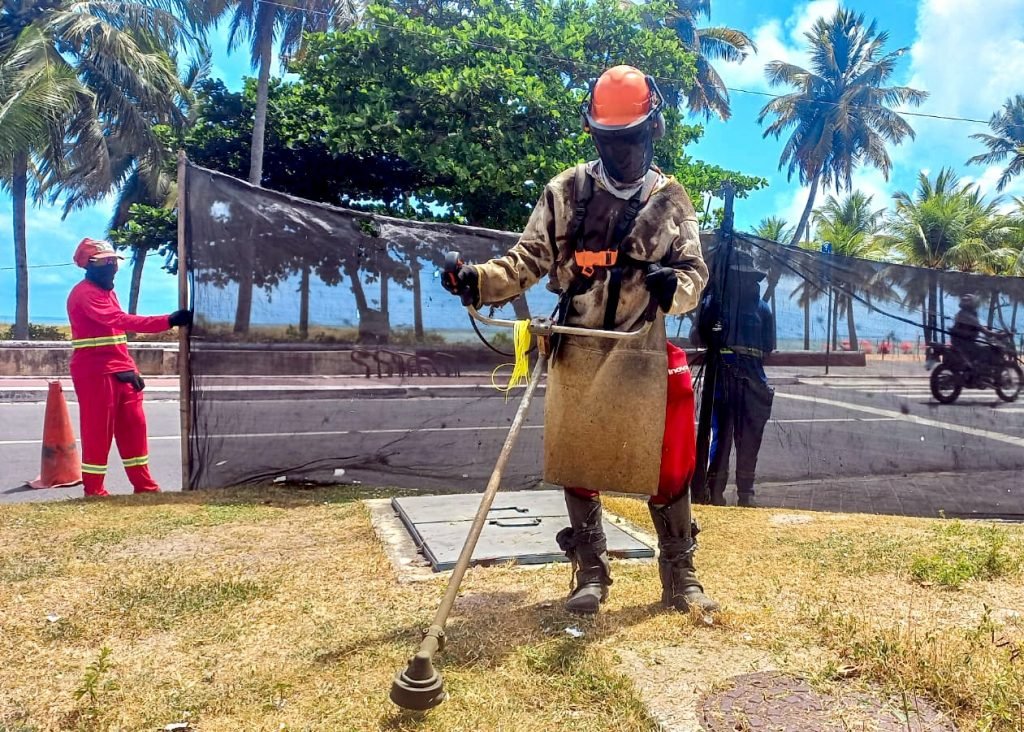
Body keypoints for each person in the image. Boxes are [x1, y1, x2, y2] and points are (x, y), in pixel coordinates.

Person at [442, 65, 717, 615]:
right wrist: (477, 281)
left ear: (652, 131)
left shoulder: (671, 201)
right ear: (596, 135)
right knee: (577, 457)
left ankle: (680, 575)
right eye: (613, 140)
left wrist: (674, 288)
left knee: (668, 463)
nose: (624, 151)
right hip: (577, 342)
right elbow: (526, 261)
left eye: (634, 138)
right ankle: (590, 571)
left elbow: (695, 275)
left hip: (642, 349)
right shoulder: (566, 192)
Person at [67, 238, 192, 497]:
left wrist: (130, 368)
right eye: (106, 262)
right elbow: (119, 320)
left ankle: (144, 486)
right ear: (89, 265)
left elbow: (114, 337)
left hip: (121, 370)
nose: (112, 267)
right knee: (98, 432)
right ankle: (94, 489)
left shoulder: (106, 291)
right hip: (96, 373)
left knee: (134, 429)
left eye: (114, 261)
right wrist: (167, 320)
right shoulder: (85, 294)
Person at [692, 250, 775, 508]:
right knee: (722, 435)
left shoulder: (763, 309)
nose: (747, 283)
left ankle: (746, 494)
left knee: (750, 437)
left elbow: (767, 348)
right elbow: (698, 337)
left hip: (753, 382)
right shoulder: (714, 303)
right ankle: (714, 491)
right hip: (722, 377)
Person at [950, 294, 995, 376]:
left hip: (962, 342)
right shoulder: (967, 315)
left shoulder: (963, 313)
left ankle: (976, 369)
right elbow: (981, 329)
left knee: (982, 348)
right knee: (987, 350)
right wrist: (998, 335)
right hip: (964, 343)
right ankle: (978, 371)